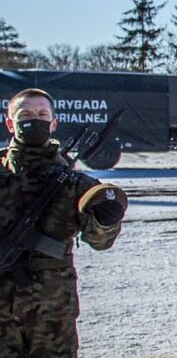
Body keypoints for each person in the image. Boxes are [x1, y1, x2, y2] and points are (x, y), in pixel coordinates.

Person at [0, 88, 126, 357]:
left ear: (54, 123)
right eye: (26, 115)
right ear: (10, 123)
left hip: (51, 311)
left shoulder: (73, 181)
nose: (35, 119)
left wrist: (107, 219)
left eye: (42, 114)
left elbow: (99, 242)